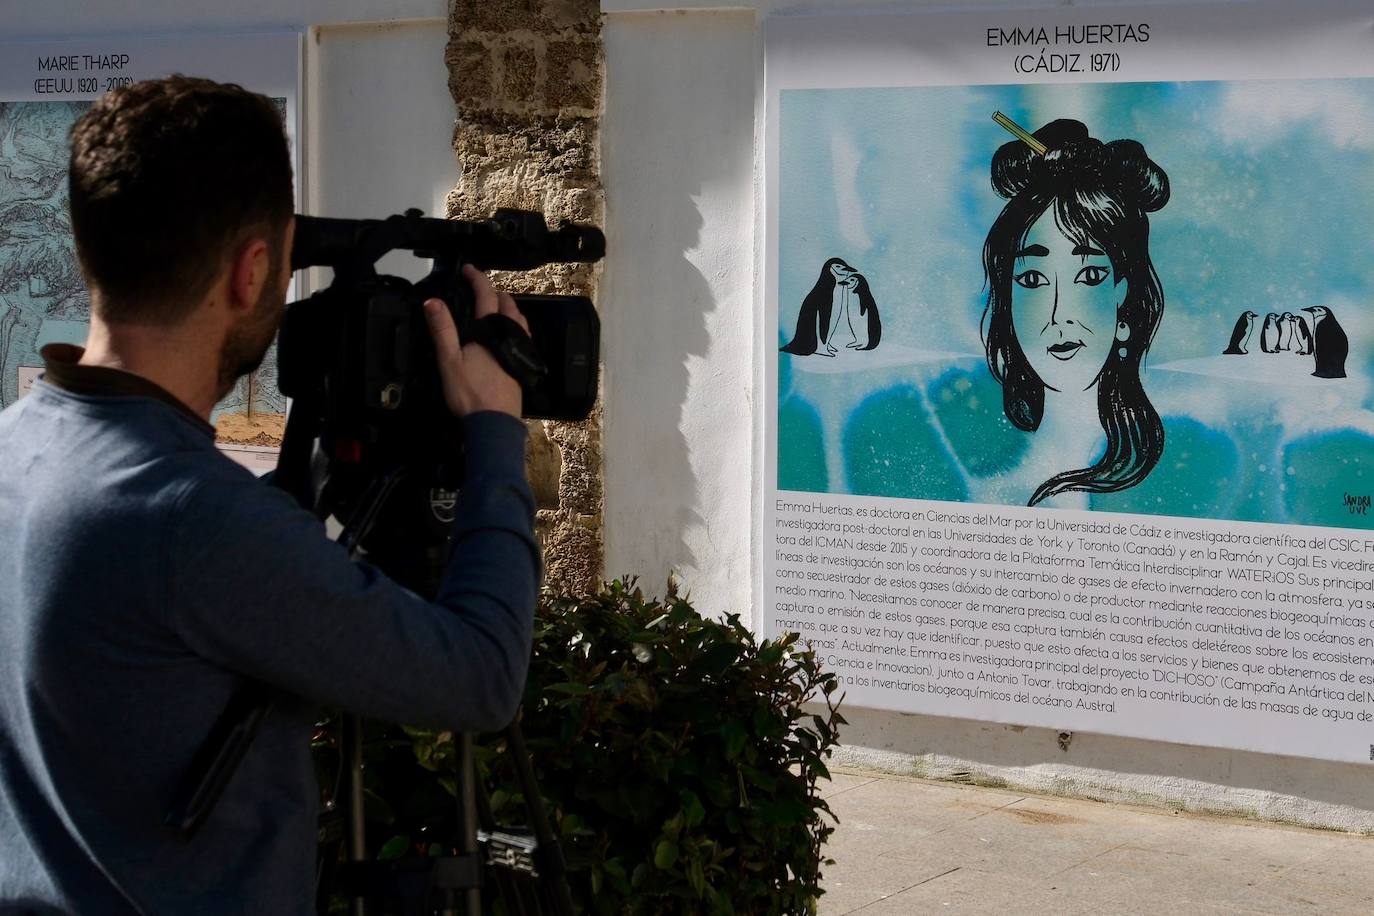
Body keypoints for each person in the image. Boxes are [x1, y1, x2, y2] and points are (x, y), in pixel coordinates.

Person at [0, 77, 540, 913]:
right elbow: (480, 677)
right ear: (254, 272)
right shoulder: (191, 516)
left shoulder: (16, 446)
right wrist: (496, 429)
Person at [980, 118, 1170, 507]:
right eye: (1032, 280)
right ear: (1007, 300)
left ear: (1123, 294)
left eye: (1089, 276)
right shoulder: (988, 464)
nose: (1058, 315)